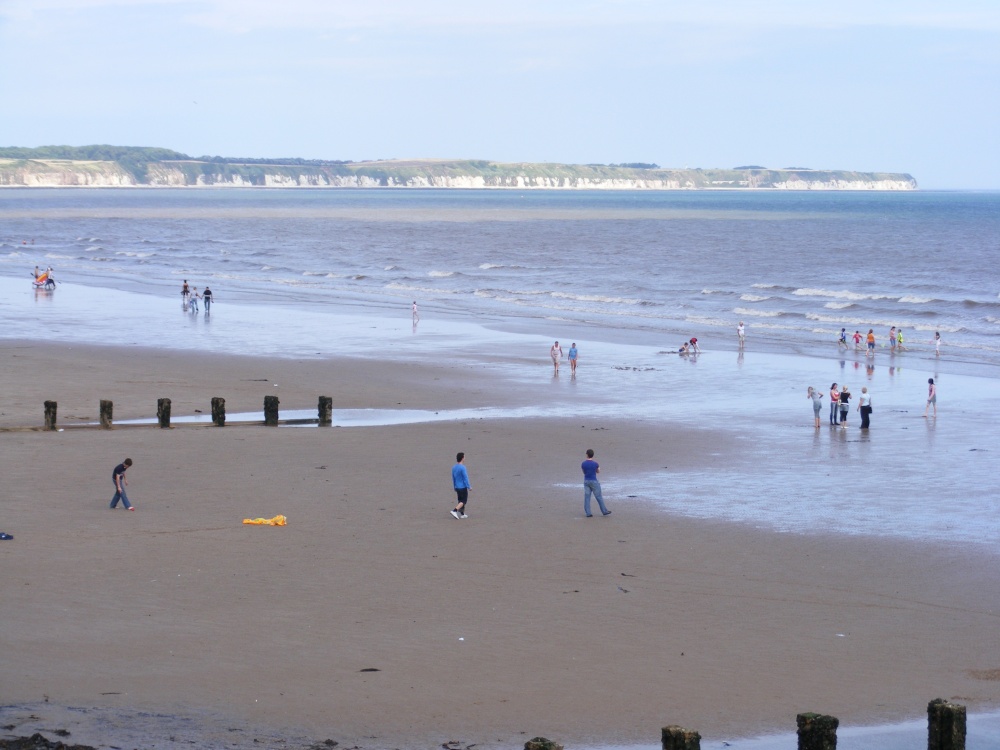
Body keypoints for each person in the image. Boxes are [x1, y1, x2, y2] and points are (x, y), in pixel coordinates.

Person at [581, 449, 610, 517]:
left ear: (587, 455)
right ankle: (604, 511)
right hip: (594, 481)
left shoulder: (583, 463)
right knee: (598, 496)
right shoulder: (595, 464)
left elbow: (584, 472)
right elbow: (598, 471)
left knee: (587, 497)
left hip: (586, 481)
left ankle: (588, 513)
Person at [450, 453, 471, 519]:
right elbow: (465, 478)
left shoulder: (454, 467)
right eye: (464, 457)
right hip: (462, 487)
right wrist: (469, 486)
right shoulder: (462, 467)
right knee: (463, 501)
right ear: (462, 458)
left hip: (457, 486)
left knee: (460, 500)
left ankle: (462, 514)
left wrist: (454, 486)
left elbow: (453, 478)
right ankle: (454, 510)